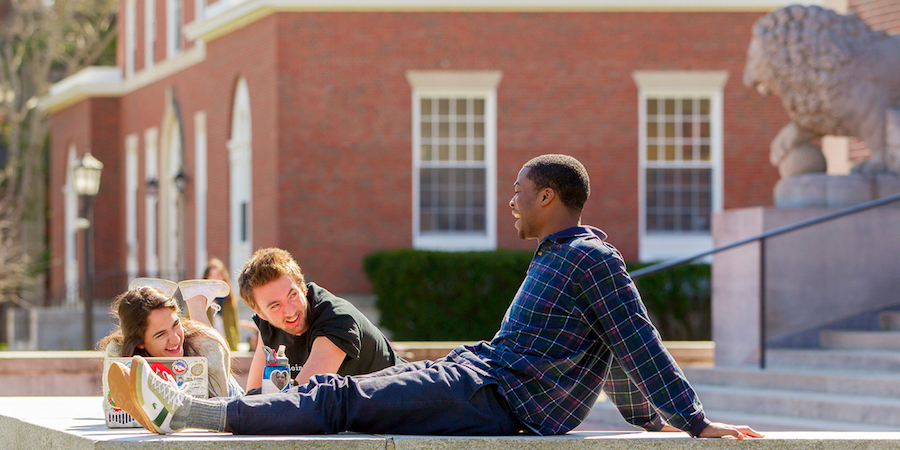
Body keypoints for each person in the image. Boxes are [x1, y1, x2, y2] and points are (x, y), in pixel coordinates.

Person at [108, 154, 762, 439]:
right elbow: (616, 353)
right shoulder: (563, 260)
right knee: (345, 399)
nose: (510, 203)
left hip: (499, 399)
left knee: (340, 400)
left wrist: (694, 420)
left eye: (518, 191)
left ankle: (192, 415)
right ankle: (194, 409)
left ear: (548, 197)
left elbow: (637, 341)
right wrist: (649, 421)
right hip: (480, 376)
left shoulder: (591, 259)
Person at [238, 247, 403, 392]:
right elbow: (252, 397)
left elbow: (300, 400)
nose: (290, 311)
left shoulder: (337, 319)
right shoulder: (267, 326)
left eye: (292, 295)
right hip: (360, 420)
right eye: (275, 306)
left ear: (303, 287)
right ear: (260, 313)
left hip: (407, 409)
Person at [98, 285, 244, 399]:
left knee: (202, 337)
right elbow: (114, 409)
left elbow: (222, 413)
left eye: (175, 324)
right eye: (161, 334)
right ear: (140, 342)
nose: (175, 339)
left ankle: (197, 303)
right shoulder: (117, 351)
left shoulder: (209, 345)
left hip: (229, 394)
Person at [202, 258, 242, 351]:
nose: (217, 279)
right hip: (207, 346)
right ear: (207, 277)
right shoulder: (200, 299)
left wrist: (236, 345)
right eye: (214, 275)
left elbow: (234, 325)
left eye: (219, 275)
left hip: (228, 345)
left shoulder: (229, 300)